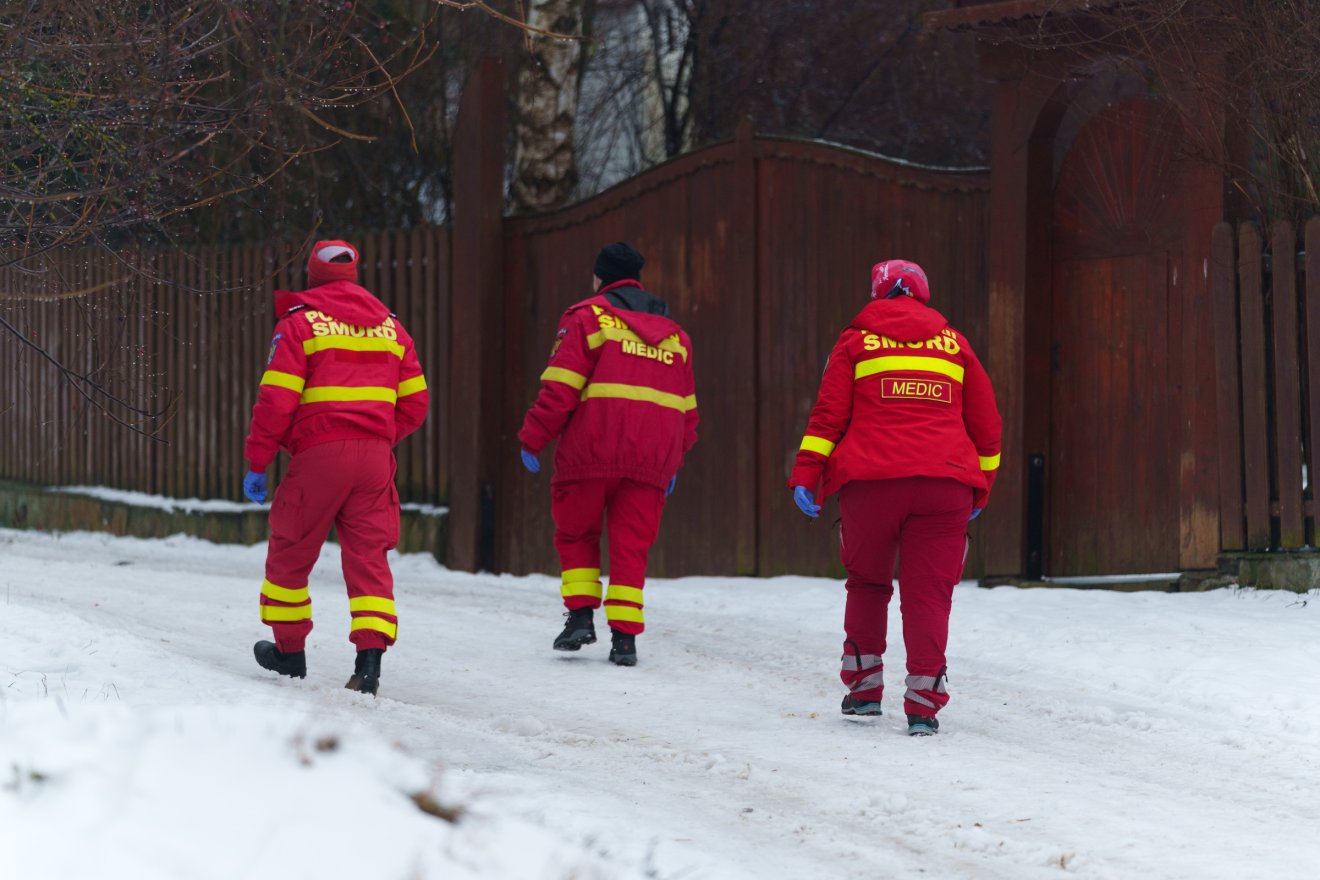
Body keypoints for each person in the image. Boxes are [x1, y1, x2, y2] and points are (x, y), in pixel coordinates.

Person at [788, 259, 1001, 736]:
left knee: (868, 583)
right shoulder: (955, 344)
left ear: (877, 293)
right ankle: (924, 701)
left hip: (871, 482)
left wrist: (807, 474)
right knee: (930, 593)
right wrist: (982, 484)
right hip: (945, 484)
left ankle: (864, 690)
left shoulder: (856, 340)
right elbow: (987, 425)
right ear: (923, 294)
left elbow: (828, 418)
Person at [242, 239, 429, 696]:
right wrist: (377, 436)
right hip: (374, 460)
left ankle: (289, 653)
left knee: (291, 548)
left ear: (313, 275)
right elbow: (417, 404)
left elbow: (276, 401)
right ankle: (369, 663)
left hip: (319, 456)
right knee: (369, 557)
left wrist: (259, 460)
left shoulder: (300, 323)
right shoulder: (392, 329)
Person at [518, 242, 698, 667]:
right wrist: (674, 460)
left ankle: (580, 618)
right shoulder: (676, 337)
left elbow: (560, 387)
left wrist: (532, 438)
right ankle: (625, 641)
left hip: (590, 452)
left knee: (577, 533)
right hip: (651, 462)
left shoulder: (587, 318)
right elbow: (687, 411)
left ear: (600, 278)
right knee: (631, 546)